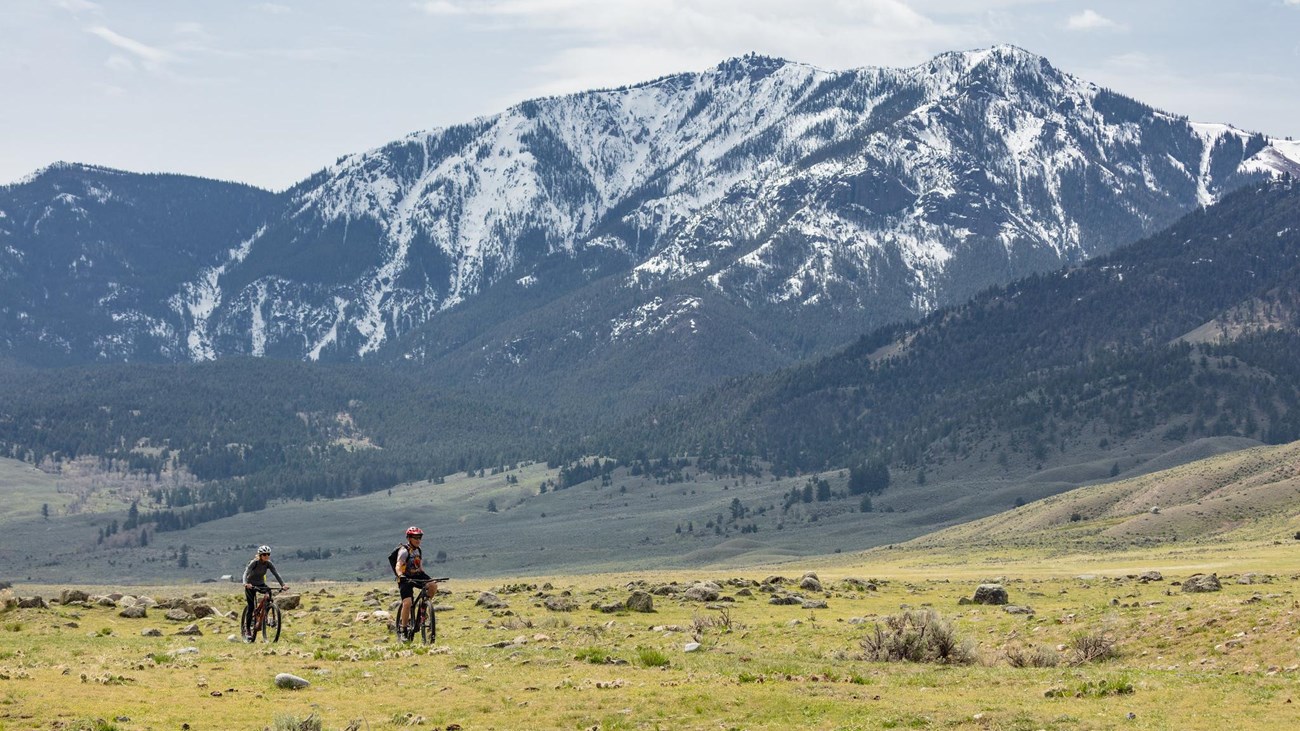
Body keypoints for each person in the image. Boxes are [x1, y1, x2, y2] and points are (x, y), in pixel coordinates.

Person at [395, 526, 436, 639]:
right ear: (409, 538)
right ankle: (403, 630)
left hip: (417, 575)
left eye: (420, 537)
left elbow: (420, 567)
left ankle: (424, 607)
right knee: (407, 603)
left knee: (433, 585)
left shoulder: (419, 550)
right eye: (415, 538)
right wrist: (400, 575)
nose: (418, 540)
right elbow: (398, 566)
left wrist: (429, 579)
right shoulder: (404, 551)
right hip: (405, 578)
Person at [242, 545, 287, 641]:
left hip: (261, 584)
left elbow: (276, 573)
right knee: (250, 607)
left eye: (268, 554)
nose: (267, 556)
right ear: (260, 555)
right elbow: (246, 572)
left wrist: (283, 585)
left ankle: (265, 613)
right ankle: (248, 630)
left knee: (268, 592)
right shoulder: (254, 563)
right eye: (264, 554)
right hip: (251, 585)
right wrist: (245, 583)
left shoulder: (268, 564)